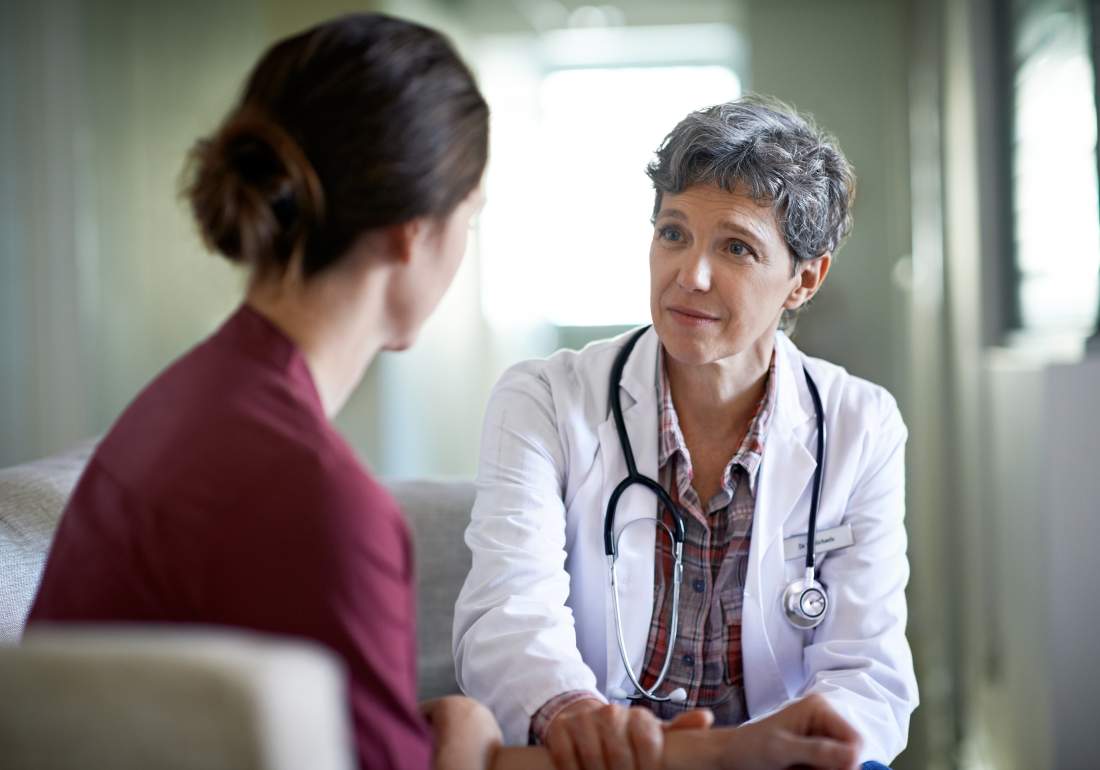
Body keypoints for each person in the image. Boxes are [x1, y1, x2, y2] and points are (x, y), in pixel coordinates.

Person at [24, 16, 862, 770]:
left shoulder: (189, 401)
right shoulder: (316, 504)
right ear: (411, 233)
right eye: (473, 213)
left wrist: (463, 733)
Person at [453, 96, 919, 770]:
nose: (689, 275)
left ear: (803, 280)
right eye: (673, 232)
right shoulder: (545, 401)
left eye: (736, 247)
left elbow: (865, 670)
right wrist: (574, 714)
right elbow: (506, 617)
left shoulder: (860, 425)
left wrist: (820, 746)